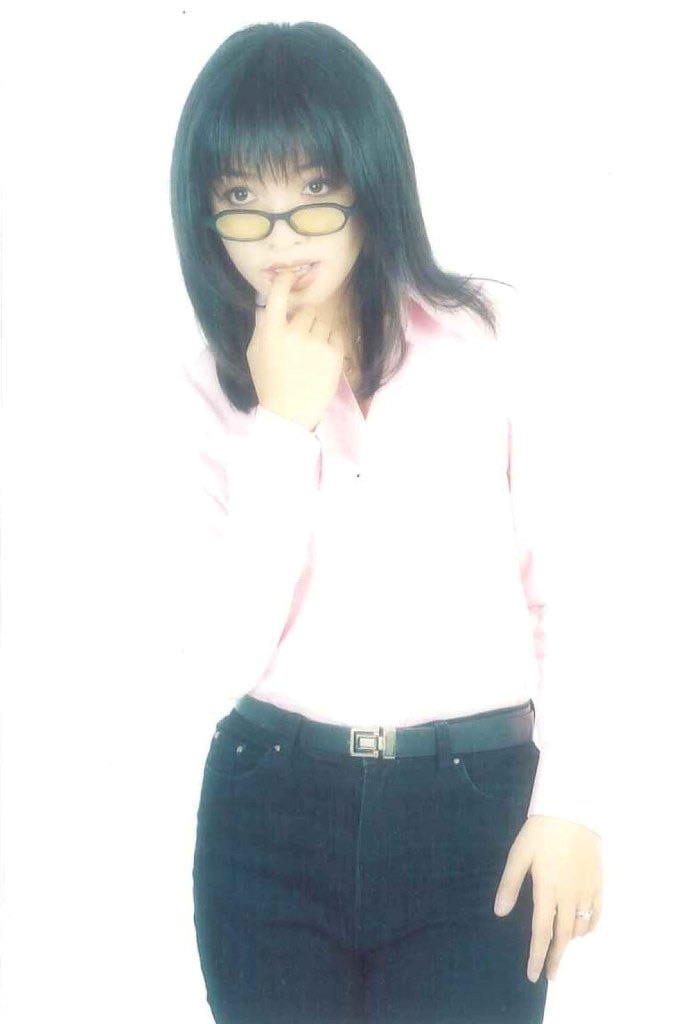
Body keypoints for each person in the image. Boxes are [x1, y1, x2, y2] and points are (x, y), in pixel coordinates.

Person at [170, 20, 603, 1024]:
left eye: (314, 190)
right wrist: (283, 428)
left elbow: (575, 586)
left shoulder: (488, 338)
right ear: (205, 211)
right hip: (268, 812)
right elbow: (216, 660)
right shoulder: (203, 391)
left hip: (477, 810)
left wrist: (572, 803)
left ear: (371, 183)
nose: (280, 238)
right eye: (241, 199)